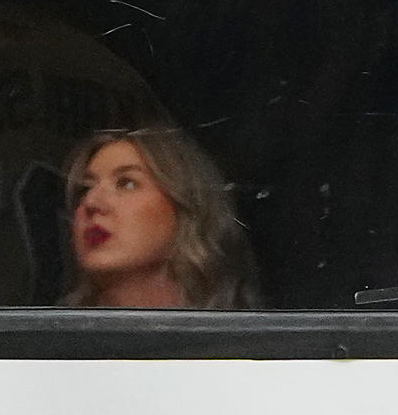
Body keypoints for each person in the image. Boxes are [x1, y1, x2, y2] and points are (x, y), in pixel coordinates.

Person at [63, 126, 261, 308]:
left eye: (127, 183)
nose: (91, 203)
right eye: (85, 188)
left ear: (185, 207)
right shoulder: (49, 338)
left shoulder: (244, 339)